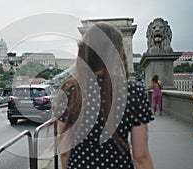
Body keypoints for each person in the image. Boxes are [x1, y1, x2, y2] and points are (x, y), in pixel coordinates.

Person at [54, 22, 154, 169]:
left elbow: (64, 150)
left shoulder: (70, 91)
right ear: (117, 53)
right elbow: (141, 156)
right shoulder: (133, 92)